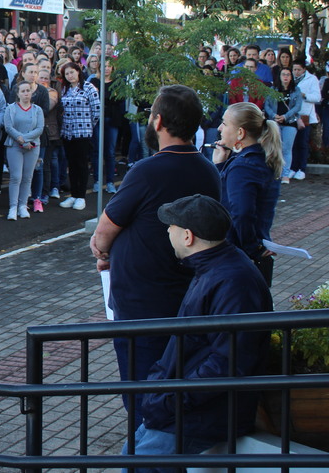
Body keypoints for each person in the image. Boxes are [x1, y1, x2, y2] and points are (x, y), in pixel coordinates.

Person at [89, 84, 222, 426]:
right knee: (176, 385)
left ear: (158, 121)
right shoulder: (208, 170)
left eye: (151, 115)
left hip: (142, 305)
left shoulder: (146, 171)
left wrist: (103, 251)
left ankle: (146, 454)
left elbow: (105, 228)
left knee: (141, 393)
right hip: (189, 296)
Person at [127, 194, 272, 470]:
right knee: (132, 457)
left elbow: (228, 362)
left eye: (171, 227)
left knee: (137, 464)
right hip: (181, 406)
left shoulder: (231, 280)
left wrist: (171, 401)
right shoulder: (218, 267)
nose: (167, 231)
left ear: (188, 236)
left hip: (197, 413)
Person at [213, 102, 282, 286]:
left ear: (240, 133)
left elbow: (241, 213)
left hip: (240, 259)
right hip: (249, 257)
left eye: (225, 124)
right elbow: (230, 199)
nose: (220, 128)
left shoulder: (244, 165)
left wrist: (253, 249)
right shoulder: (258, 158)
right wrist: (221, 165)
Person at [58, 62, 99, 210]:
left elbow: (96, 110)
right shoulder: (64, 89)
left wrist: (87, 125)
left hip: (83, 132)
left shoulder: (89, 88)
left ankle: (81, 196)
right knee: (72, 164)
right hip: (67, 132)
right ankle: (74, 195)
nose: (70, 76)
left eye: (72, 72)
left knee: (82, 164)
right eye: (67, 74)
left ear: (78, 71)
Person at [4, 81, 45, 221]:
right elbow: (8, 127)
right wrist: (20, 140)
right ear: (18, 93)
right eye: (23, 91)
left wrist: (26, 140)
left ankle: (23, 206)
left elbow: (39, 129)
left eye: (28, 90)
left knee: (28, 177)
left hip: (32, 146)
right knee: (16, 177)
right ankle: (13, 207)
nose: (26, 93)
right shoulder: (11, 108)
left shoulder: (37, 110)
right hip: (14, 146)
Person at [264, 66, 303, 184]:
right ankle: (276, 172)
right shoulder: (273, 89)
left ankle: (285, 174)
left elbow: (297, 106)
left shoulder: (296, 90)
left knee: (286, 148)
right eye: (283, 74)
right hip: (275, 121)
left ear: (291, 77)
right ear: (279, 76)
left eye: (288, 74)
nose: (285, 77)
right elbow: (267, 105)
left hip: (290, 122)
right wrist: (274, 115)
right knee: (276, 148)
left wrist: (285, 116)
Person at [289, 59, 321, 180]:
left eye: (298, 70)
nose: (296, 72)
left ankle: (302, 168)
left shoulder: (312, 79)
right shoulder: (290, 77)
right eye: (294, 69)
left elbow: (317, 97)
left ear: (304, 69)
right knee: (292, 143)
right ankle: (293, 167)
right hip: (291, 115)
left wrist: (304, 95)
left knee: (302, 143)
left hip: (304, 115)